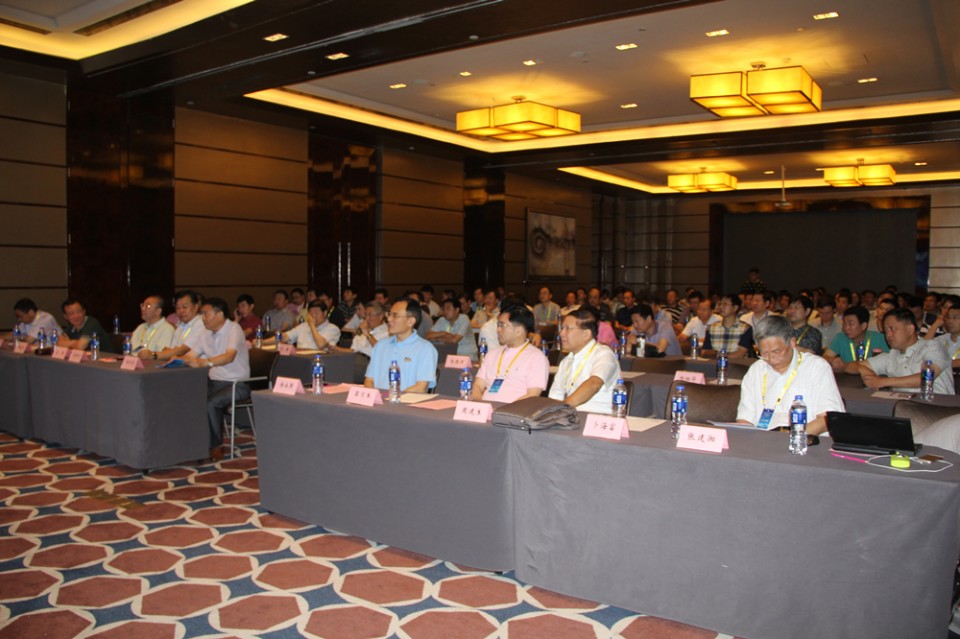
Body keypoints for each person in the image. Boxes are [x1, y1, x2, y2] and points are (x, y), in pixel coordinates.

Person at [736, 316, 844, 434]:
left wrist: (792, 437)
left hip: (806, 439)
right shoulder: (756, 370)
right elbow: (745, 419)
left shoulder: (816, 367)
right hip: (763, 439)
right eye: (764, 353)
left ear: (792, 342)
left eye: (776, 351)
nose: (771, 358)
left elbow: (827, 419)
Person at [185, 297, 251, 460]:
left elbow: (229, 356)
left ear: (220, 314)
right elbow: (191, 355)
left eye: (206, 314)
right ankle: (194, 444)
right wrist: (176, 360)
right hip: (214, 382)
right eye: (201, 314)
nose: (203, 318)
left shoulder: (234, 329)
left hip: (237, 384)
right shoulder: (205, 333)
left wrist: (206, 362)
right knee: (189, 397)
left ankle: (216, 446)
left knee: (211, 403)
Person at [853, 307, 954, 395]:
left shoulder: (932, 347)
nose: (888, 335)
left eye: (892, 329)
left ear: (910, 329)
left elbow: (926, 378)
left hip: (937, 406)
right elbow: (852, 366)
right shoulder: (891, 355)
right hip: (905, 406)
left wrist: (883, 381)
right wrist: (864, 370)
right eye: (886, 330)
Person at [548, 308, 619, 413]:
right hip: (570, 417)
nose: (561, 333)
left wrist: (563, 409)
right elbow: (555, 397)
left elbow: (594, 384)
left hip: (597, 418)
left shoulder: (604, 354)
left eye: (568, 329)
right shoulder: (566, 361)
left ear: (586, 334)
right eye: (562, 328)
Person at [472, 306, 549, 403]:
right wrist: (480, 405)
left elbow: (532, 395)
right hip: (486, 409)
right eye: (498, 325)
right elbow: (478, 385)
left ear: (518, 331)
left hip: (514, 410)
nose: (498, 330)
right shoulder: (492, 354)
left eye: (502, 325)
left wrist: (504, 410)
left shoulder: (536, 358)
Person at [364, 299, 438, 393]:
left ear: (410, 321)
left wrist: (393, 397)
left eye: (395, 315)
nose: (389, 319)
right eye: (389, 314)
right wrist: (375, 397)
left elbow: (420, 388)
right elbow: (369, 380)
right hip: (378, 400)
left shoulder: (425, 349)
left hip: (405, 401)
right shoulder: (380, 346)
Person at [822, 306, 889, 372]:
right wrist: (832, 360)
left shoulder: (880, 338)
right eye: (844, 324)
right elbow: (825, 357)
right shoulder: (841, 338)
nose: (846, 328)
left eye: (850, 324)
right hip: (848, 377)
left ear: (863, 326)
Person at [150, 290, 209, 361]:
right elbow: (172, 350)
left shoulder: (201, 324)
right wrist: (170, 352)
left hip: (198, 365)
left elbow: (182, 350)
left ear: (196, 307)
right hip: (181, 364)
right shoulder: (181, 325)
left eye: (184, 307)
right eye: (177, 308)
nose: (181, 311)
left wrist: (152, 355)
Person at [264, 300, 340, 350]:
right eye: (311, 313)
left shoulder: (333, 328)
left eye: (316, 313)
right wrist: (262, 342)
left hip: (320, 360)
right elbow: (285, 336)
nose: (313, 316)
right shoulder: (303, 326)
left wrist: (312, 325)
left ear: (325, 313)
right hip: (300, 358)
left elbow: (321, 345)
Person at [702, 293, 754, 358]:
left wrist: (718, 354)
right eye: (720, 304)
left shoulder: (745, 328)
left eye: (725, 304)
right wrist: (719, 354)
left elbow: (740, 353)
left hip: (736, 363)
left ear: (735, 308)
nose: (721, 307)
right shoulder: (711, 328)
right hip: (714, 363)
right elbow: (705, 352)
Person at [936, 306, 960, 370]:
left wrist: (942, 364)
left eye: (955, 317)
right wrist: (935, 326)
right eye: (948, 317)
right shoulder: (940, 340)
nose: (950, 321)